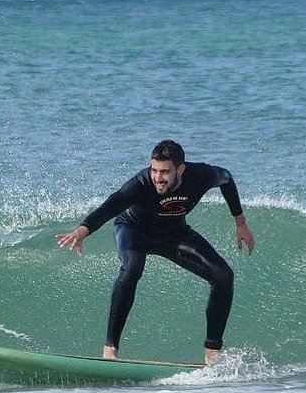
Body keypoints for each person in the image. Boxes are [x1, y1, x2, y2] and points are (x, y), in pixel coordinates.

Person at [56, 140, 255, 365]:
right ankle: (110, 349)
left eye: (165, 172)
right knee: (132, 267)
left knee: (223, 276)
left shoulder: (201, 175)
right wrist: (83, 230)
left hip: (174, 234)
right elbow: (112, 205)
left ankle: (212, 351)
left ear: (180, 169)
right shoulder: (141, 183)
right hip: (133, 230)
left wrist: (240, 222)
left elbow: (226, 178)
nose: (158, 178)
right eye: (154, 170)